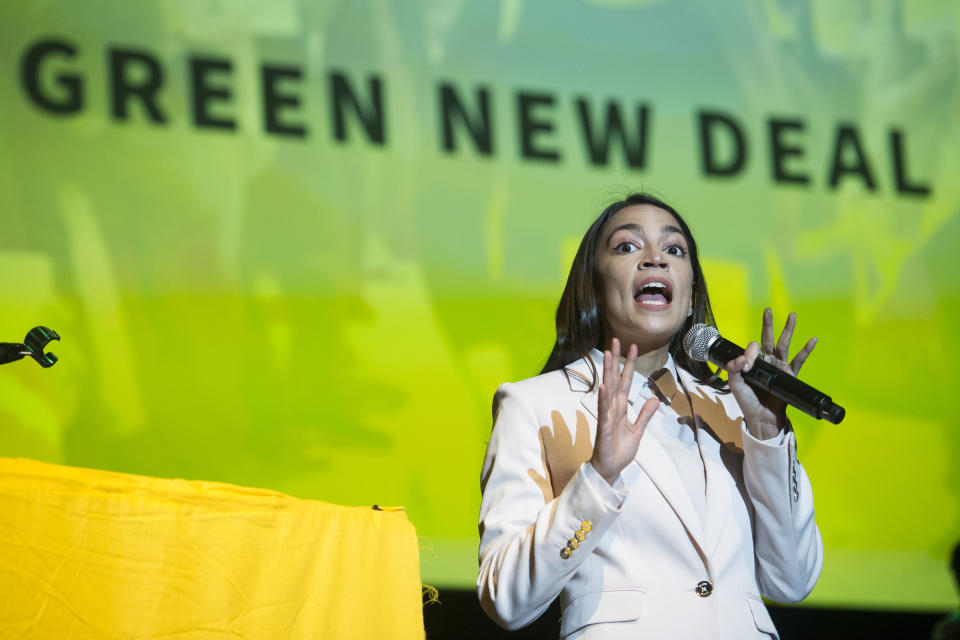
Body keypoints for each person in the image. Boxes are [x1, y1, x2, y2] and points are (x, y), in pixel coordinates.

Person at [477, 193, 824, 639]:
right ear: (594, 285)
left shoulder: (738, 409)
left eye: (674, 250)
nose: (655, 259)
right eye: (627, 246)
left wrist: (768, 435)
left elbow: (792, 581)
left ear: (691, 289)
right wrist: (598, 478)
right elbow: (505, 598)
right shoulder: (535, 404)